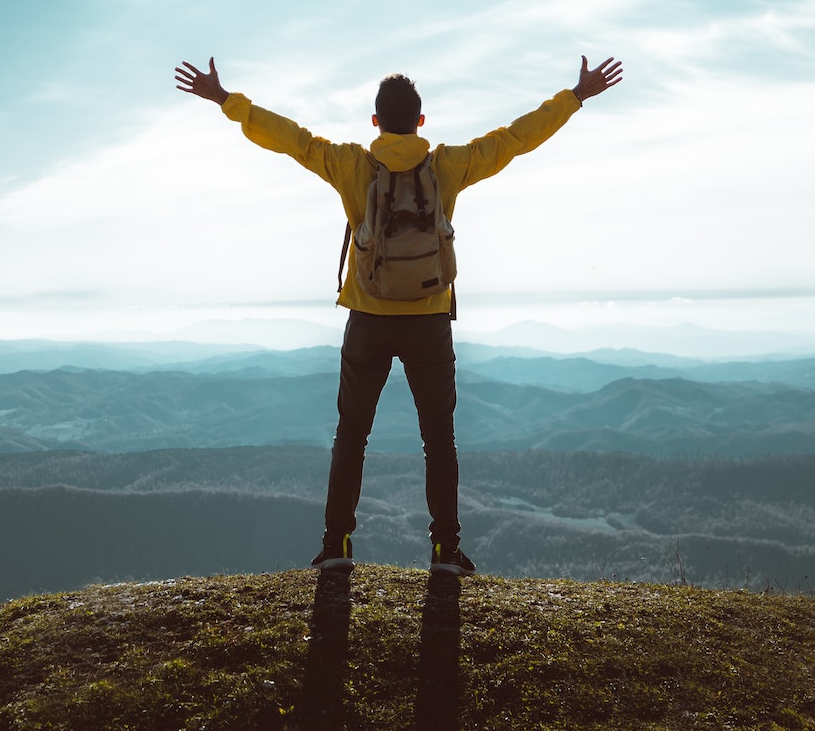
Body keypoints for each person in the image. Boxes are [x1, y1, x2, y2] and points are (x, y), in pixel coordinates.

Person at [173, 55, 625, 575]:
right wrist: (575, 96)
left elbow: (291, 139)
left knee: (351, 435)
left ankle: (337, 546)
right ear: (421, 121)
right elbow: (514, 139)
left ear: (375, 123)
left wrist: (227, 101)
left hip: (367, 316)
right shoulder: (448, 165)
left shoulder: (351, 164)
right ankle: (446, 551)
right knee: (439, 439)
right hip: (430, 319)